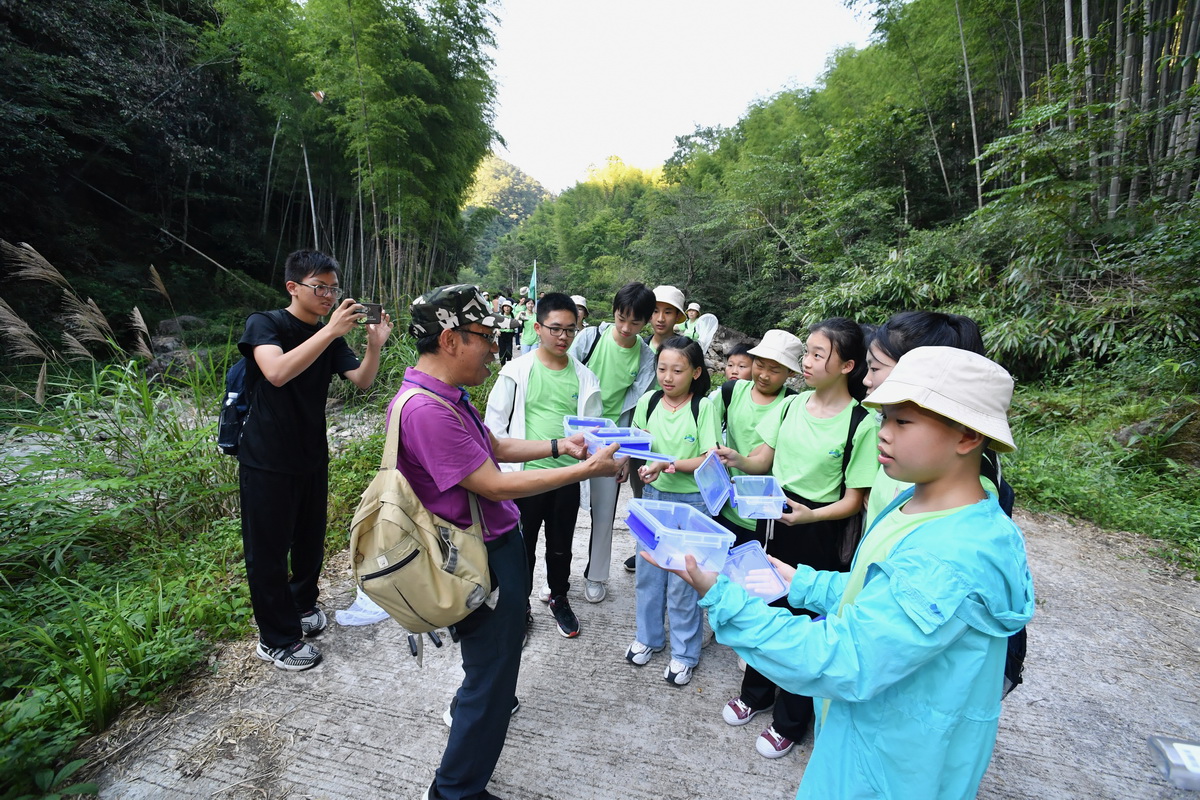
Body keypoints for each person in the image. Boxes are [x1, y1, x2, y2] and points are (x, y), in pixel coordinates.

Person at [663, 346, 1035, 799]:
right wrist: (802, 581)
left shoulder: (953, 555)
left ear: (966, 438)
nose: (884, 433)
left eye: (903, 421)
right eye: (885, 418)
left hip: (897, 765)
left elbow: (844, 659)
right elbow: (880, 592)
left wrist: (723, 598)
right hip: (869, 734)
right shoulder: (925, 505)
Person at [389, 284, 625, 800]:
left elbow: (493, 445)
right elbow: (492, 483)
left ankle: (466, 761)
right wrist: (583, 469)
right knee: (491, 681)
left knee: (492, 673)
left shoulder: (447, 396)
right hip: (480, 558)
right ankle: (454, 791)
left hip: (493, 545)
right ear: (450, 339)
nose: (494, 348)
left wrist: (560, 444)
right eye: (484, 337)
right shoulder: (426, 410)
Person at [714, 317, 877, 759]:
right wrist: (734, 460)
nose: (806, 362)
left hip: (818, 529)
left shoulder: (861, 423)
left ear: (847, 366)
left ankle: (791, 719)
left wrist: (809, 516)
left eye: (817, 355)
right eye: (806, 353)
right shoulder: (790, 405)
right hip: (775, 515)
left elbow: (854, 500)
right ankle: (756, 693)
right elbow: (763, 461)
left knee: (805, 620)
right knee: (764, 601)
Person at [238, 249, 392, 671]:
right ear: (293, 287)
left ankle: (303, 605)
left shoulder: (332, 337)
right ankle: (275, 639)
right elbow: (276, 372)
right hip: (266, 457)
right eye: (319, 287)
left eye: (332, 288)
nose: (328, 295)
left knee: (309, 540)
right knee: (267, 551)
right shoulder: (265, 324)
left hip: (310, 453)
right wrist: (328, 331)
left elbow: (362, 381)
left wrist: (374, 346)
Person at [485, 293, 600, 639]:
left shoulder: (584, 377)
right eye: (555, 329)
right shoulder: (517, 371)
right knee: (523, 546)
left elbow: (592, 428)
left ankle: (559, 596)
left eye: (570, 330)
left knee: (561, 543)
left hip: (567, 475)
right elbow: (495, 426)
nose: (563, 337)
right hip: (525, 479)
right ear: (538, 328)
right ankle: (519, 606)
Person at [627, 336, 717, 686]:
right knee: (649, 575)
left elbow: (709, 457)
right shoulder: (648, 402)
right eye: (662, 368)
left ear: (695, 372)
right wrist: (644, 466)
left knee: (683, 581)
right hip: (652, 498)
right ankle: (648, 638)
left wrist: (671, 465)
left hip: (691, 504)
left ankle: (684, 653)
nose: (668, 377)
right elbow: (640, 445)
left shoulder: (704, 407)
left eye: (677, 370)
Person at [567, 282, 657, 602]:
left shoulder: (646, 357)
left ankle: (596, 575)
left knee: (604, 513)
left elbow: (638, 410)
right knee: (561, 509)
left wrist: (627, 456)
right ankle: (558, 574)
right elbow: (564, 374)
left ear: (646, 322)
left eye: (635, 323)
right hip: (574, 435)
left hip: (612, 442)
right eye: (621, 318)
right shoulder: (590, 337)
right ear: (614, 312)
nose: (625, 327)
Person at [862, 311, 987, 528]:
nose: (866, 380)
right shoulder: (909, 461)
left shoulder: (959, 508)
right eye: (885, 417)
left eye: (875, 368)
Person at [708, 330, 801, 545]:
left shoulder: (793, 404)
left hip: (767, 513)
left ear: (791, 374)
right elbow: (707, 431)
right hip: (726, 504)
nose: (764, 375)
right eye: (759, 365)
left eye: (775, 370)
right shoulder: (731, 391)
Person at [647, 285, 686, 353]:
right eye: (655, 311)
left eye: (667, 312)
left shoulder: (687, 350)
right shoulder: (640, 347)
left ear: (678, 316)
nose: (660, 319)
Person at [496, 299, 517, 365]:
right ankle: (502, 365)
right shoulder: (499, 315)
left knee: (509, 351)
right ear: (503, 308)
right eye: (505, 306)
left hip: (509, 334)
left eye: (508, 307)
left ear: (511, 308)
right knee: (502, 352)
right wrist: (497, 330)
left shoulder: (513, 315)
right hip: (502, 335)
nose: (507, 308)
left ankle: (508, 366)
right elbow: (495, 324)